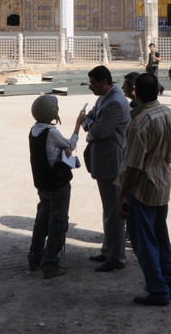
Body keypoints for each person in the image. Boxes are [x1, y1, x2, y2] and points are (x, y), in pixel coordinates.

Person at [117, 73, 171, 306]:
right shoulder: (168, 112)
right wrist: (162, 153)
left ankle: (158, 290)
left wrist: (122, 195)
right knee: (161, 238)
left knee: (145, 243)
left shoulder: (140, 122)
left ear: (136, 92)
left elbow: (134, 166)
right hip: (162, 185)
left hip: (142, 189)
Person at [76, 66, 131, 272]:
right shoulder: (105, 98)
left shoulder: (115, 102)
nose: (91, 87)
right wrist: (91, 122)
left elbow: (97, 130)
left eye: (93, 83)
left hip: (112, 162)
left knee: (114, 211)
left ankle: (116, 258)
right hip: (105, 160)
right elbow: (91, 118)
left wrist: (86, 124)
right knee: (109, 209)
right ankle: (109, 251)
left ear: (103, 82)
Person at [28, 94, 82, 279]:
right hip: (57, 184)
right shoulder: (51, 132)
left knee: (41, 221)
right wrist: (78, 125)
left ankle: (34, 259)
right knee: (58, 223)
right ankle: (50, 264)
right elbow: (71, 145)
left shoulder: (34, 131)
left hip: (43, 184)